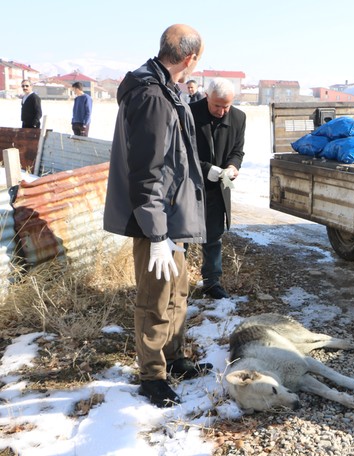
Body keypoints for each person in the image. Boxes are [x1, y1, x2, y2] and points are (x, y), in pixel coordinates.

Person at [103, 24, 212, 408]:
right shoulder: (151, 95)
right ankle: (152, 376)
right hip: (157, 222)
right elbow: (147, 173)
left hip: (171, 218)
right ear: (190, 58)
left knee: (178, 291)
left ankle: (174, 358)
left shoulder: (167, 88)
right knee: (155, 298)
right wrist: (157, 235)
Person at [189, 77, 245, 299]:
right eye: (217, 106)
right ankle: (176, 284)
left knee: (213, 236)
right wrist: (204, 168)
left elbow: (238, 151)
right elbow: (181, 151)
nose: (222, 112)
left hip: (218, 188)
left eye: (226, 106)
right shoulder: (189, 113)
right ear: (206, 97)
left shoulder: (239, 118)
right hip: (190, 185)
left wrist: (232, 166)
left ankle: (211, 282)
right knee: (182, 236)